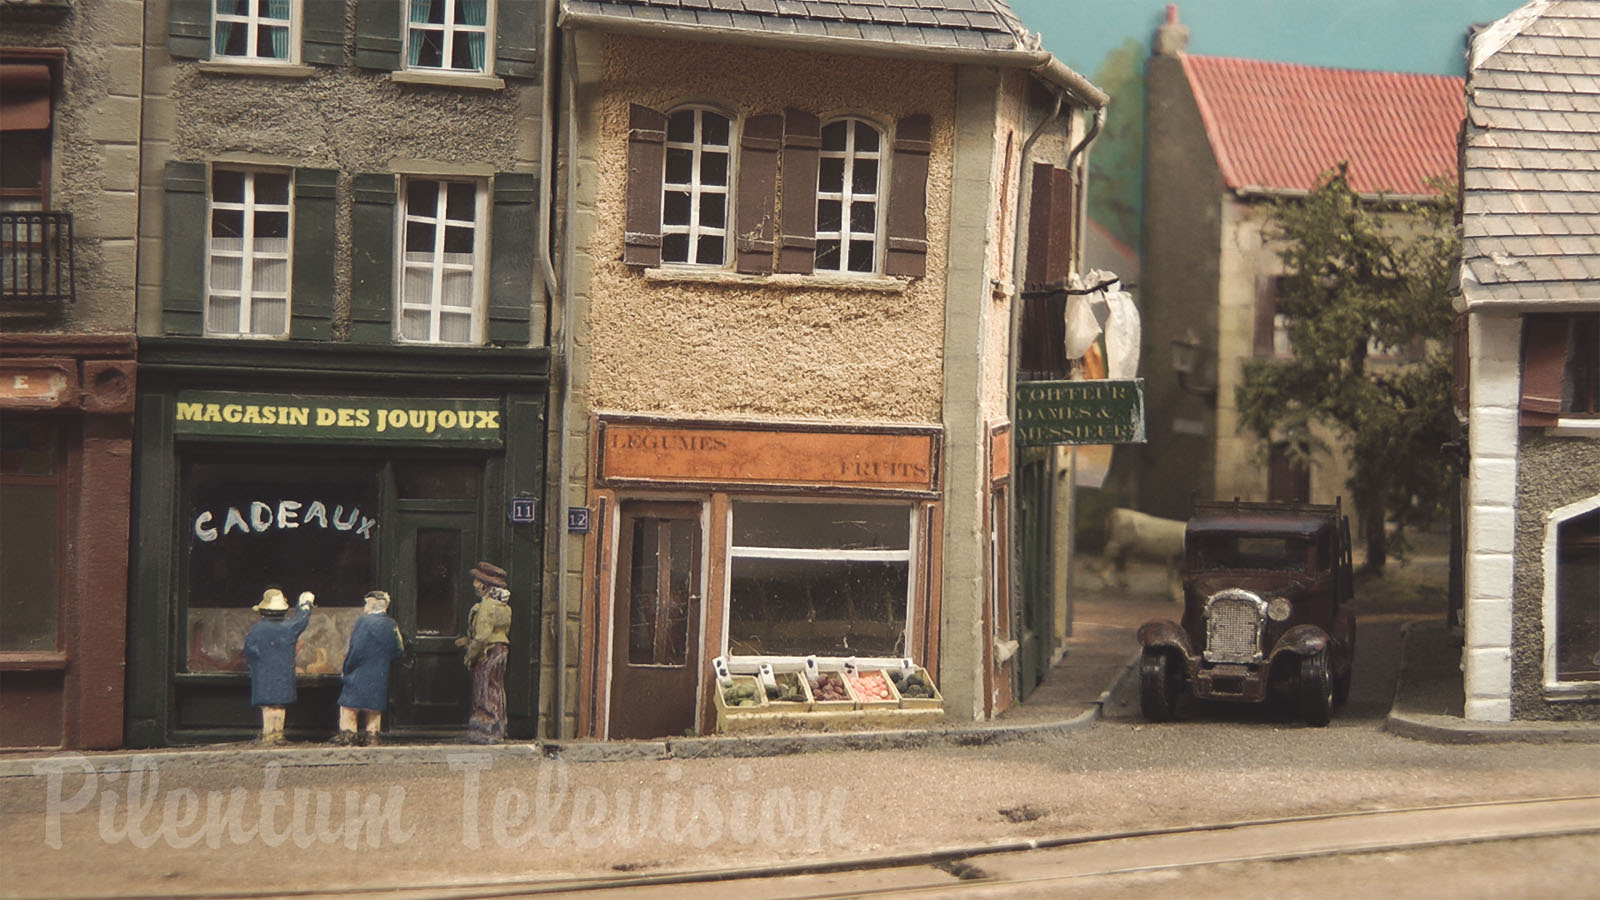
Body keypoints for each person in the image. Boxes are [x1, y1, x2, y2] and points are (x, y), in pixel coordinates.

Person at [331, 590, 404, 747]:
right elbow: (399, 650)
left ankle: (348, 735)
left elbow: (355, 649)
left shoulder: (363, 622)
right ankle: (372, 735)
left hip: (359, 671)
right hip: (380, 672)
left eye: (366, 603)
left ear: (372, 605)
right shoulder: (391, 624)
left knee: (349, 706)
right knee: (374, 707)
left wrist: (347, 668)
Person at [242, 587, 314, 745]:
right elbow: (301, 620)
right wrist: (305, 604)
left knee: (267, 706)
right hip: (283, 672)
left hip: (264, 672)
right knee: (280, 705)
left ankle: (268, 733)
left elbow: (248, 650)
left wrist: (254, 663)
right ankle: (278, 734)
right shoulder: (288, 628)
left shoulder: (257, 629)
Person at [457, 561, 511, 744]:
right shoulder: (502, 607)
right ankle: (498, 727)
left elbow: (482, 637)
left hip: (488, 652)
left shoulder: (487, 606)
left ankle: (486, 729)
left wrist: (470, 655)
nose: (474, 585)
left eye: (477, 581)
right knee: (495, 687)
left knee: (484, 688)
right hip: (500, 649)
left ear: (485, 585)